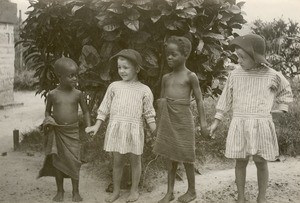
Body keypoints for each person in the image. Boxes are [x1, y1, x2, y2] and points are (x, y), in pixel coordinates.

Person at [209, 34, 293, 203]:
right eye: (237, 57)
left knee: (261, 161)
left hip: (261, 124)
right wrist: (216, 121)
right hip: (240, 123)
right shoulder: (235, 75)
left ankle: (261, 197)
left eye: (243, 57)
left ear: (256, 58)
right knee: (240, 161)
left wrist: (282, 109)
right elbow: (225, 98)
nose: (239, 60)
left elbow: (286, 91)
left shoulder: (272, 75)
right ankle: (241, 197)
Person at [85, 49, 156, 203]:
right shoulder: (114, 87)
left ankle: (134, 190)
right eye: (119, 67)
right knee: (117, 161)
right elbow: (104, 108)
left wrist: (156, 132)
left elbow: (149, 114)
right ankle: (116, 191)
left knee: (136, 161)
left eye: (126, 67)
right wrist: (96, 126)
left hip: (134, 131)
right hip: (117, 130)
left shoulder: (144, 90)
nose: (122, 71)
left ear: (137, 69)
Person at [153, 36, 209, 203]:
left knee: (186, 155)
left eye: (173, 54)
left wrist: (203, 123)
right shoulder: (166, 78)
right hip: (167, 120)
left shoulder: (190, 76)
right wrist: (158, 124)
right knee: (169, 156)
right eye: (167, 54)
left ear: (185, 55)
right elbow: (162, 101)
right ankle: (169, 192)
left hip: (183, 120)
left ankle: (191, 191)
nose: (169, 57)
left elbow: (199, 100)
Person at [38, 57, 91, 202]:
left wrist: (89, 126)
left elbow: (86, 112)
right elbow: (48, 111)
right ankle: (60, 191)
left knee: (74, 162)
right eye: (71, 75)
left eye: (76, 75)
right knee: (58, 161)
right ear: (59, 76)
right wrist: (48, 120)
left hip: (72, 132)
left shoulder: (78, 94)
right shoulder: (52, 94)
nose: (75, 78)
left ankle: (76, 192)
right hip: (57, 132)